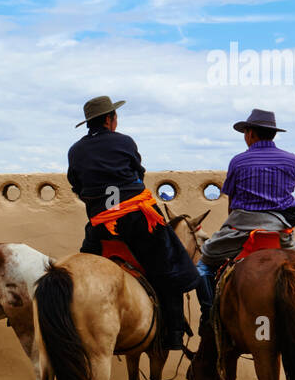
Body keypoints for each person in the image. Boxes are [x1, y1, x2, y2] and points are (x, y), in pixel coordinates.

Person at [67, 96, 199, 351]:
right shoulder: (124, 141)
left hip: (101, 225)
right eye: (115, 116)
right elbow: (138, 172)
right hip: (138, 220)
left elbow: (77, 185)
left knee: (81, 271)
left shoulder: (75, 150)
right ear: (109, 119)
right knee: (170, 267)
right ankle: (173, 333)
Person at [196, 109, 295, 314]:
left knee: (203, 266)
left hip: (242, 231)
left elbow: (232, 201)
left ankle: (208, 315)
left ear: (251, 133)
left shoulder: (238, 161)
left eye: (245, 132)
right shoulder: (291, 160)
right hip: (280, 233)